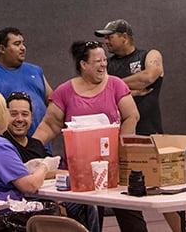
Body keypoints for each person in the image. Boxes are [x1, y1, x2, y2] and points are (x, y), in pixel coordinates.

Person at [32, 41, 146, 232]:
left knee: (134, 225)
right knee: (88, 226)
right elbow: (50, 125)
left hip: (114, 171)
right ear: (83, 65)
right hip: (79, 175)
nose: (103, 64)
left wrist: (121, 149)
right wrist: (29, 148)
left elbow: (132, 116)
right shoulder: (65, 91)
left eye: (104, 60)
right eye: (97, 61)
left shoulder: (115, 85)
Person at [94, 20, 184, 232]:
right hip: (120, 140)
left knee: (166, 194)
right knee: (122, 196)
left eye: (110, 36)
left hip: (150, 136)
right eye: (104, 37)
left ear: (125, 36)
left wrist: (115, 87)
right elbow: (98, 90)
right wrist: (129, 91)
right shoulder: (107, 64)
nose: (106, 41)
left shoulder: (149, 55)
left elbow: (148, 76)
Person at [3, 91, 100, 232]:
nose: (19, 119)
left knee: (87, 204)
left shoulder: (36, 144)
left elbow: (50, 170)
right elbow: (26, 177)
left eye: (24, 114)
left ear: (31, 117)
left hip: (50, 197)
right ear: (4, 116)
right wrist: (56, 172)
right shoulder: (2, 144)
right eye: (13, 114)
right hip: (22, 204)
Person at [0, 27, 52, 138]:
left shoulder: (36, 71)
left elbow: (54, 105)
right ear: (2, 49)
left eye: (23, 43)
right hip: (5, 147)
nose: (23, 48)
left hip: (40, 145)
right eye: (17, 44)